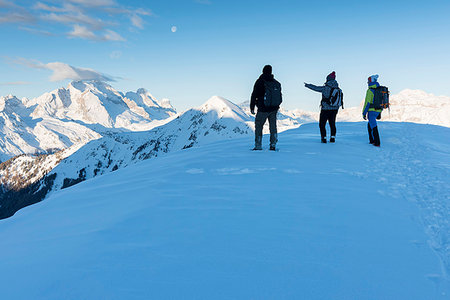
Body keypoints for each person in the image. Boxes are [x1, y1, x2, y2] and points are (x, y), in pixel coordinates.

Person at [304, 71, 343, 143]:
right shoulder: (338, 89)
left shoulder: (325, 88)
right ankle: (332, 138)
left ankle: (324, 138)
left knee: (322, 124)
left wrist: (308, 85)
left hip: (325, 109)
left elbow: (316, 88)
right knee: (332, 123)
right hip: (335, 109)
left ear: (328, 79)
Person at [250, 65, 282, 151]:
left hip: (262, 109)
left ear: (263, 71)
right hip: (274, 109)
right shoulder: (276, 83)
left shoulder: (260, 81)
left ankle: (258, 145)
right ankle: (273, 145)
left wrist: (252, 107)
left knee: (259, 126)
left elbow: (254, 95)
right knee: (273, 127)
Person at [362, 74, 382, 147]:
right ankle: (371, 140)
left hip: (371, 111)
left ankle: (377, 142)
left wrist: (364, 113)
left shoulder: (370, 90)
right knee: (370, 124)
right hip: (378, 110)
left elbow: (367, 103)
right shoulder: (379, 89)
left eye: (368, 81)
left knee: (373, 126)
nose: (368, 82)